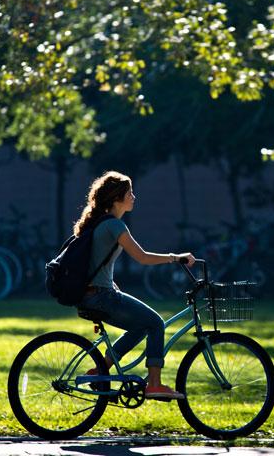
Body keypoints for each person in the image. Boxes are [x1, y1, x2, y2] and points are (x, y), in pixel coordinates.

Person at [75, 171, 195, 400]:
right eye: (129, 192)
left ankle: (100, 370)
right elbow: (142, 257)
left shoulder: (101, 223)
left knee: (141, 327)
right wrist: (175, 257)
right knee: (156, 323)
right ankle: (154, 384)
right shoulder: (114, 226)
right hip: (101, 296)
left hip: (94, 294)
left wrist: (110, 283)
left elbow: (96, 263)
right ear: (116, 199)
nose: (134, 196)